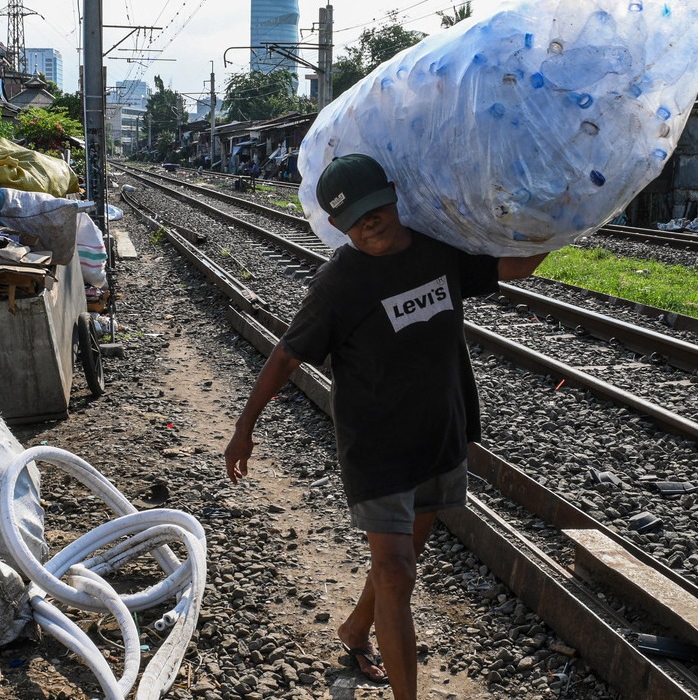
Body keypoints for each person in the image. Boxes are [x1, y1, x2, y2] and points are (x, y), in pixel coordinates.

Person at [224, 154, 546, 700]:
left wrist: (569, 219)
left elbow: (515, 268)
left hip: (439, 433)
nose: (370, 225)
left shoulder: (437, 254)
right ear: (339, 227)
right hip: (377, 446)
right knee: (397, 573)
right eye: (355, 221)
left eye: (376, 210)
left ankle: (355, 630)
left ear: (394, 195)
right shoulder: (339, 284)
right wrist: (244, 426)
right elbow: (287, 355)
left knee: (402, 561)